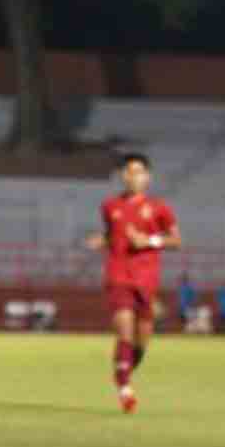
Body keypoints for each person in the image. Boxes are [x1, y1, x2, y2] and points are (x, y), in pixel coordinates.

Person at [84, 153, 182, 413]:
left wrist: (149, 241)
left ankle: (124, 366)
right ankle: (125, 389)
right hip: (118, 276)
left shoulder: (159, 208)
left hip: (146, 281)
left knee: (141, 342)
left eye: (139, 172)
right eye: (129, 172)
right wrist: (101, 241)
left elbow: (176, 240)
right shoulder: (110, 206)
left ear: (147, 177)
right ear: (122, 176)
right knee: (124, 329)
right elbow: (112, 235)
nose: (133, 177)